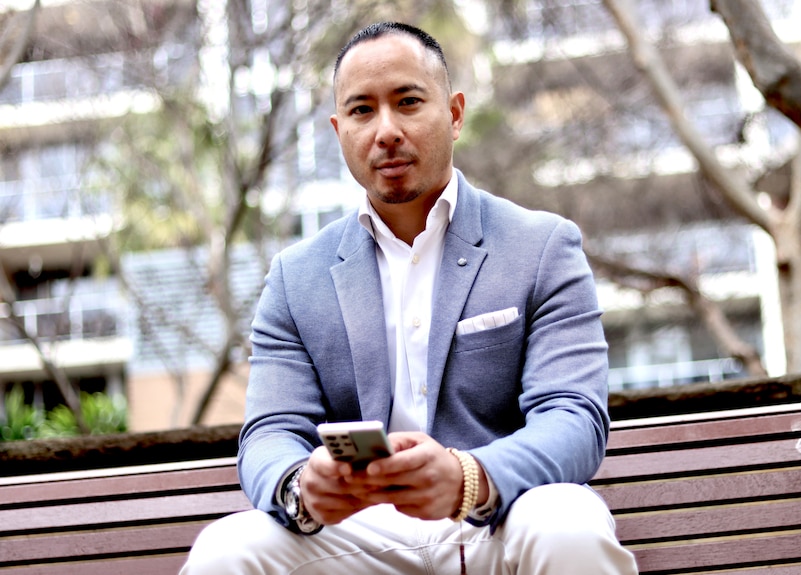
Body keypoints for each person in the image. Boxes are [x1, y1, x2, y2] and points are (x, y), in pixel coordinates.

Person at [181, 21, 638, 575]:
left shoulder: (542, 247)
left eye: (408, 101)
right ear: (338, 129)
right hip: (359, 530)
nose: (386, 130)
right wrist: (302, 487)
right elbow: (270, 434)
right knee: (226, 550)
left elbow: (574, 418)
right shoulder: (295, 278)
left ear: (454, 112)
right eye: (362, 110)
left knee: (568, 522)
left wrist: (469, 477)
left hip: (499, 514)